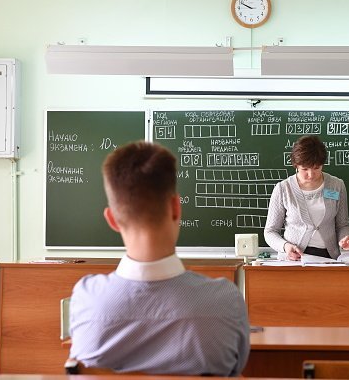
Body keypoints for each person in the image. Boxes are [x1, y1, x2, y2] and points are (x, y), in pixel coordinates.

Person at [69, 141, 250, 375]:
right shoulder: (225, 300)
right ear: (176, 208)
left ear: (112, 219)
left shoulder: (86, 300)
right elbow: (237, 370)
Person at [264, 135, 349, 260]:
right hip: (294, 259)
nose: (311, 175)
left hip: (329, 258)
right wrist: (285, 246)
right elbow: (270, 231)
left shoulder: (336, 185)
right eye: (304, 169)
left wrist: (344, 239)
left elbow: (342, 225)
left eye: (316, 168)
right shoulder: (283, 189)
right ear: (296, 165)